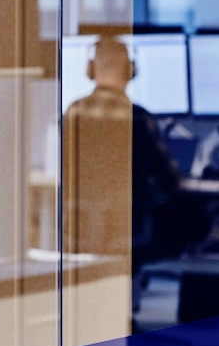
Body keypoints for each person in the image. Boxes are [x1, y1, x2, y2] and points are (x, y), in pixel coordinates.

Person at [63, 37, 180, 317]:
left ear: (91, 69)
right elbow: (169, 182)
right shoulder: (138, 118)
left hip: (80, 227)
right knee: (193, 219)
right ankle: (127, 310)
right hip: (128, 229)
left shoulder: (72, 112)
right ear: (131, 71)